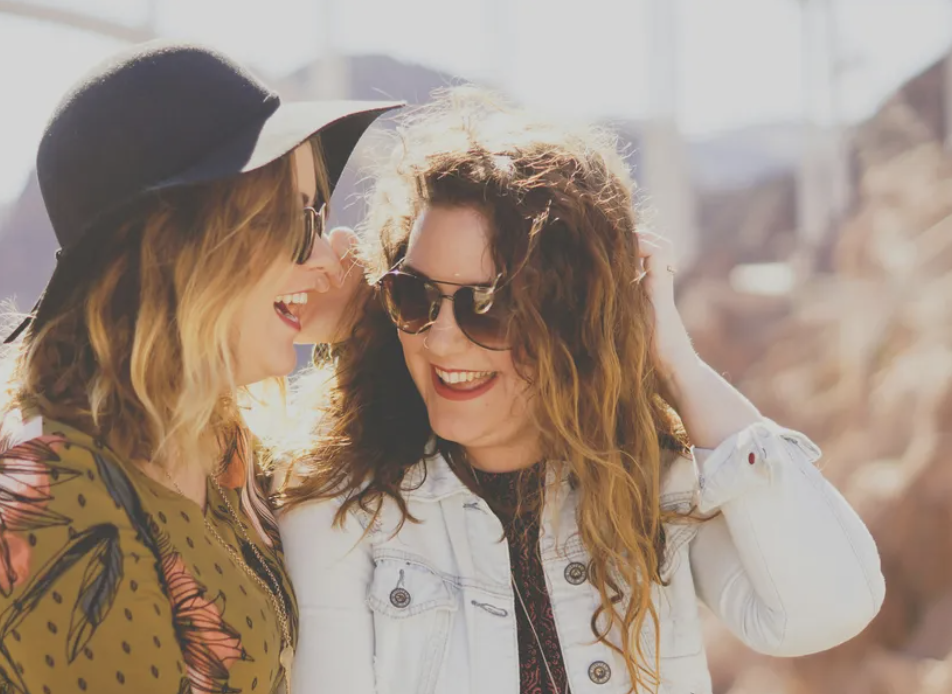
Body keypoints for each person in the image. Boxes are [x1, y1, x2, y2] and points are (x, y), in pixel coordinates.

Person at [278, 90, 886, 694]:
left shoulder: (647, 486)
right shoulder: (343, 510)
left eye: (486, 305)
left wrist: (676, 361)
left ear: (570, 319)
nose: (441, 341)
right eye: (415, 295)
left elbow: (825, 609)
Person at [0, 40, 399, 694]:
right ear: (182, 249)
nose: (330, 256)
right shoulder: (51, 501)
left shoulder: (222, 444)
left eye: (321, 215)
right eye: (298, 223)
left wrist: (371, 328)